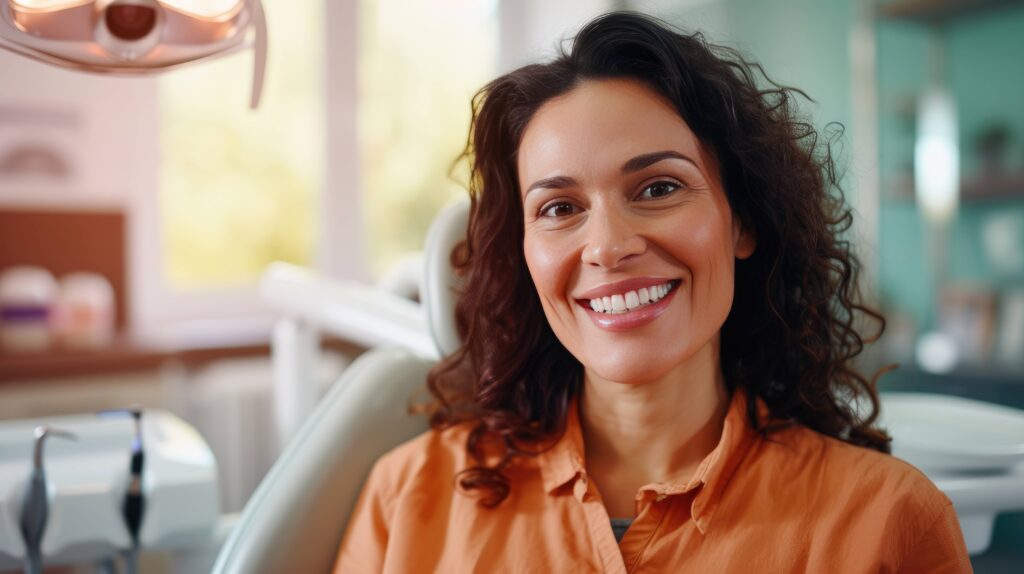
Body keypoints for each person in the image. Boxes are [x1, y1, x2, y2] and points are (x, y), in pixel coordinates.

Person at [335, 12, 971, 573]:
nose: (607, 247)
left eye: (659, 188)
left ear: (742, 220)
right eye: (559, 207)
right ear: (523, 253)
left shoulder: (891, 523)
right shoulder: (407, 497)